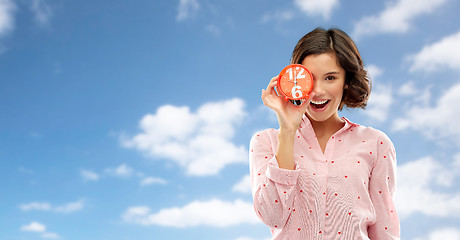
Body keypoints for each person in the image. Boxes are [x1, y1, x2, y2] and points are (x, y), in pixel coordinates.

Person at [249, 27, 400, 239]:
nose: (318, 91)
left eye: (330, 78)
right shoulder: (266, 142)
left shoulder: (376, 144)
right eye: (309, 78)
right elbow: (272, 216)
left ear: (346, 82)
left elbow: (385, 229)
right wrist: (287, 131)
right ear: (295, 80)